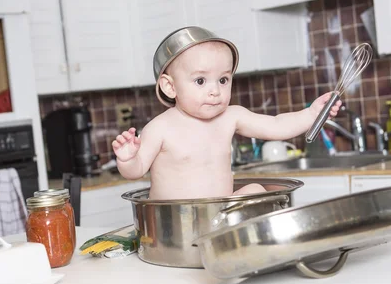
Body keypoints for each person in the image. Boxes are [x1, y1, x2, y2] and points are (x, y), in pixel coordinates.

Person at [112, 27, 341, 200]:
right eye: (200, 80)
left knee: (255, 191)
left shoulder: (231, 116)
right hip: (176, 221)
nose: (215, 91)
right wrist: (128, 159)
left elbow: (277, 125)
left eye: (223, 79)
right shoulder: (160, 127)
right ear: (170, 87)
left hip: (220, 215)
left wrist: (312, 114)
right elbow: (136, 170)